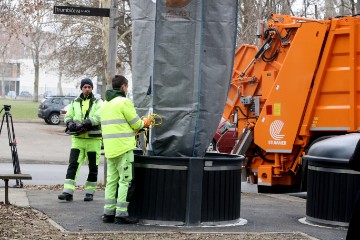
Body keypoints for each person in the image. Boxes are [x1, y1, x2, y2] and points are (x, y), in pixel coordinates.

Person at [100, 75, 150, 224]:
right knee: (125, 181)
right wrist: (145, 122)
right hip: (124, 148)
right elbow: (136, 124)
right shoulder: (124, 102)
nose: (127, 90)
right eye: (127, 87)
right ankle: (121, 214)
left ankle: (108, 213)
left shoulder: (105, 105)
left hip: (110, 149)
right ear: (123, 86)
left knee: (111, 181)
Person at [58, 78, 103, 202]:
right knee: (73, 164)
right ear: (81, 88)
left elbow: (99, 117)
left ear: (92, 88)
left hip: (93, 139)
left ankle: (89, 192)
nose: (87, 89)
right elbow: (68, 116)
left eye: (89, 87)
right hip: (78, 139)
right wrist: (70, 123)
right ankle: (67, 191)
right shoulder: (75, 102)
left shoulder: (98, 102)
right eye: (85, 87)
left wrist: (85, 123)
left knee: (93, 167)